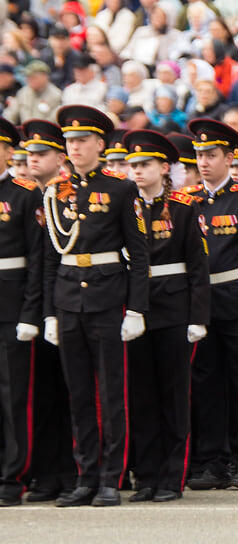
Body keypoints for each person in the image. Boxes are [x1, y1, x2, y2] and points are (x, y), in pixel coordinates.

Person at [42, 105, 150, 507]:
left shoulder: (121, 188)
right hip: (70, 300)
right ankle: (85, 476)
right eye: (70, 141)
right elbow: (53, 255)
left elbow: (139, 255)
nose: (74, 147)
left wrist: (136, 308)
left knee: (111, 394)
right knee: (79, 394)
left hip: (107, 299)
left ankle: (111, 476)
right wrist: (50, 312)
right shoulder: (57, 190)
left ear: (100, 145)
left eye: (82, 140)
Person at [183, 119, 238, 492]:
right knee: (206, 386)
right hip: (205, 307)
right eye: (199, 155)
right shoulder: (188, 200)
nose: (204, 162)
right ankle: (210, 460)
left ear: (229, 158)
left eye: (212, 155)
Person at [123, 129, 210, 503]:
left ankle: (172, 476)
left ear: (164, 167)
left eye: (145, 165)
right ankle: (147, 475)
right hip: (135, 309)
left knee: (174, 395)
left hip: (174, 308)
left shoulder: (183, 207)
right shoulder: (123, 206)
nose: (138, 172)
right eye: (133, 166)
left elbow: (198, 266)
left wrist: (197, 316)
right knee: (142, 396)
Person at [22, 121, 75, 503]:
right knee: (41, 396)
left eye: (41, 154)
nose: (32, 160)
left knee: (72, 393)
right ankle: (46, 472)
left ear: (61, 158)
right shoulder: (29, 197)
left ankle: (72, 471)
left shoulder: (71, 196)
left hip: (70, 304)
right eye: (29, 155)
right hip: (34, 306)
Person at [0, 118, 44, 507]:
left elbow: (36, 260)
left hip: (11, 306)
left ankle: (12, 476)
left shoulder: (23, 193)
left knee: (13, 395)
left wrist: (31, 313)